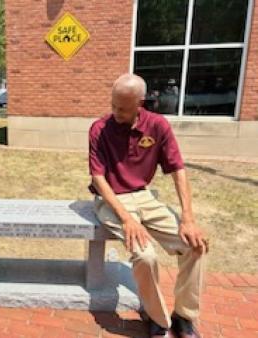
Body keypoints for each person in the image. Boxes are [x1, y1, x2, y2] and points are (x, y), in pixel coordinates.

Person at [88, 73, 208, 338]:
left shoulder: (158, 126)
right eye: (113, 105)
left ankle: (184, 316)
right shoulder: (99, 129)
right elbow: (98, 179)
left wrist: (188, 217)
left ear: (140, 103)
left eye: (123, 108)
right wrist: (127, 219)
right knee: (145, 255)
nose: (116, 112)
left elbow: (177, 169)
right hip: (112, 199)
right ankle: (157, 318)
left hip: (144, 196)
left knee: (195, 246)